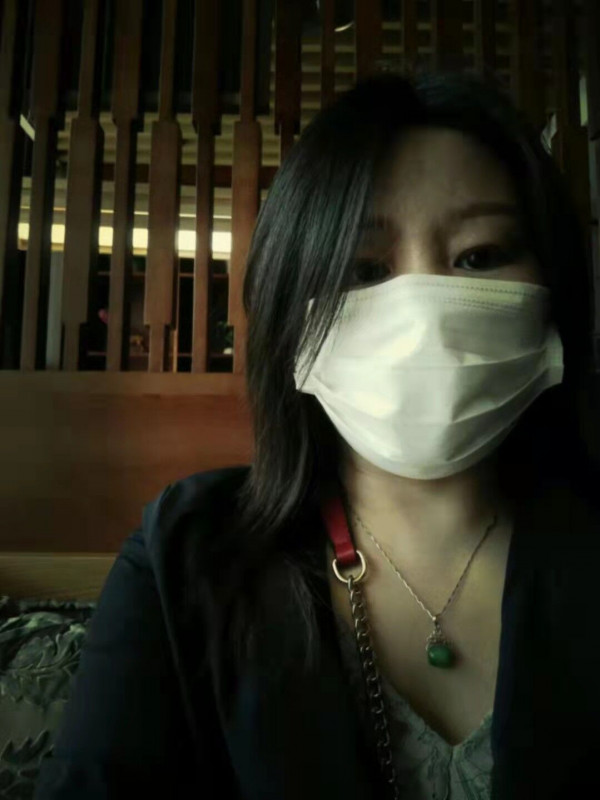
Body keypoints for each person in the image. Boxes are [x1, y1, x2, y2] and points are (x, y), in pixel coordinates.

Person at [35, 70, 600, 800]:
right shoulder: (186, 558)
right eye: (363, 268)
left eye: (480, 255)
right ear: (290, 318)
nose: (423, 312)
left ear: (553, 292)